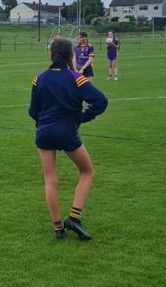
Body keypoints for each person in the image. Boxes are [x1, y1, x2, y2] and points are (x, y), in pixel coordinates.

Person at [29, 36, 108, 240]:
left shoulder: (39, 78)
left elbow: (32, 111)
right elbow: (101, 101)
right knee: (87, 172)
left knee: (49, 178)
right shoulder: (76, 78)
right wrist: (81, 118)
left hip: (44, 131)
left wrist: (44, 121)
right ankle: (74, 217)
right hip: (66, 130)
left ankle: (58, 228)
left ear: (51, 54)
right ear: (71, 56)